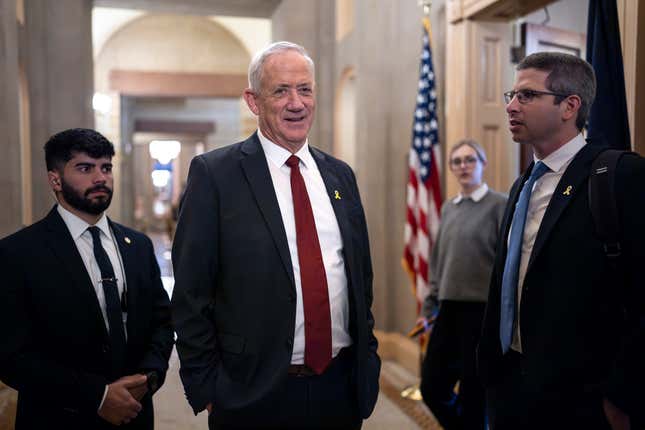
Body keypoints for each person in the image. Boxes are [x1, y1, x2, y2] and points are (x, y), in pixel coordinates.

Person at [171, 41, 380, 429]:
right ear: (253, 101)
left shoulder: (340, 176)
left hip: (338, 390)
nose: (296, 102)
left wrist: (366, 365)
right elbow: (190, 293)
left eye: (305, 89)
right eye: (281, 90)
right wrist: (210, 387)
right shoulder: (215, 175)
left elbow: (359, 279)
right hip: (252, 394)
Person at [477, 52, 645, 430]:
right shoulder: (524, 183)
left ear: (570, 105)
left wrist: (620, 396)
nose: (510, 106)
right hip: (511, 387)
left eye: (527, 96)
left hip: (582, 401)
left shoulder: (621, 176)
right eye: (511, 94)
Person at [0, 128, 174, 429]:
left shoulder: (138, 246)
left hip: (135, 414)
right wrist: (98, 396)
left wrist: (149, 376)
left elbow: (161, 321)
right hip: (59, 418)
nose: (100, 178)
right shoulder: (18, 253)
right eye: (85, 168)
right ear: (55, 179)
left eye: (106, 168)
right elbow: (10, 355)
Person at [419, 139, 506, 430]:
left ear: (483, 163)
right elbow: (438, 262)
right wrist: (429, 307)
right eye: (457, 161)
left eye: (470, 160)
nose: (463, 166)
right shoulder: (448, 208)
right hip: (447, 310)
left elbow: (506, 263)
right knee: (431, 387)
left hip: (481, 314)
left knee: (474, 394)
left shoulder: (499, 204)